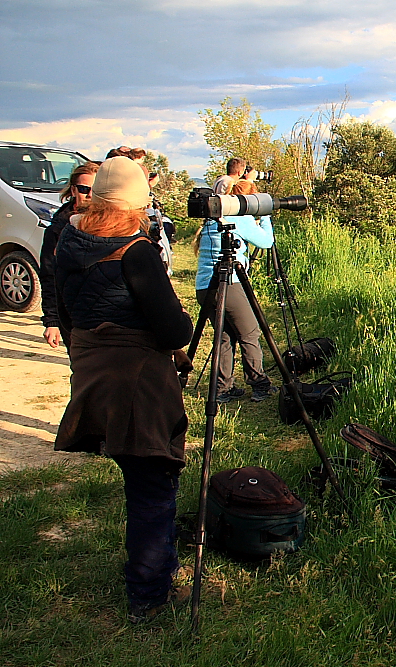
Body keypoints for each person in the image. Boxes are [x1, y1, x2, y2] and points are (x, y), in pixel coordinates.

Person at [53, 156, 193, 624]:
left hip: (95, 379)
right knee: (153, 487)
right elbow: (173, 330)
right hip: (137, 387)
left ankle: (150, 569)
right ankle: (149, 595)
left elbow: (72, 316)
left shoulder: (68, 242)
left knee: (138, 479)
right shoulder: (135, 253)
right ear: (137, 202)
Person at [195, 207, 277, 403]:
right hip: (229, 283)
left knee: (224, 336)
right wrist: (265, 215)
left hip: (205, 286)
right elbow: (266, 241)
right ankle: (259, 385)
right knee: (249, 333)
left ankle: (223, 388)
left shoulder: (212, 219)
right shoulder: (238, 218)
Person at [40, 161, 100, 348]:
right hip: (72, 315)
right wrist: (52, 321)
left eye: (95, 189)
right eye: (83, 189)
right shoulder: (58, 229)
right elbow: (49, 274)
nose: (89, 195)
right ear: (73, 191)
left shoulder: (114, 225)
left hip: (106, 312)